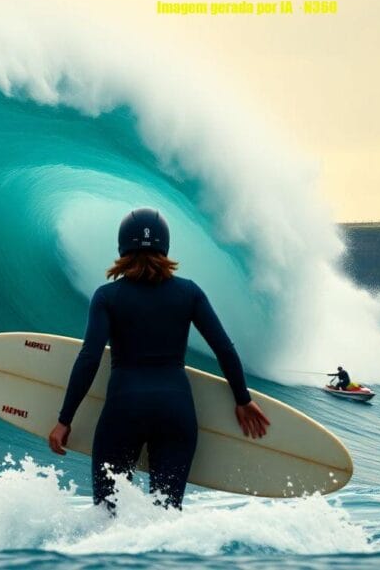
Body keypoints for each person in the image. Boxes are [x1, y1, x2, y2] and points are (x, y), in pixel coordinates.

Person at [47, 208, 270, 513]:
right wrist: (242, 399)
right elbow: (224, 349)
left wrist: (65, 420)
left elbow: (89, 358)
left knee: (107, 516)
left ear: (122, 245)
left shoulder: (107, 296)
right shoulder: (189, 292)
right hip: (176, 411)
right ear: (165, 244)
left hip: (124, 409)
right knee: (165, 516)